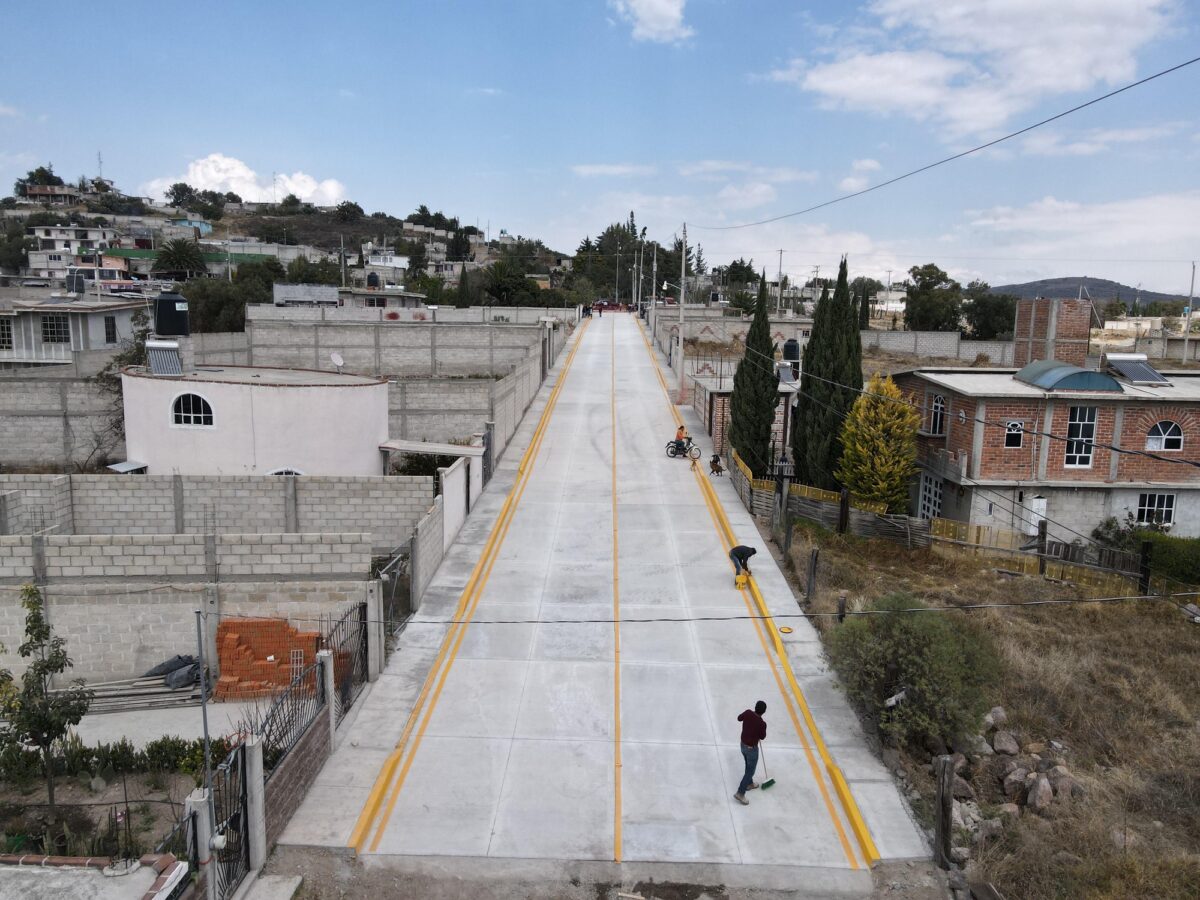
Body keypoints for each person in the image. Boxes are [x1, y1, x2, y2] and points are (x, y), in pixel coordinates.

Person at [734, 700, 768, 805]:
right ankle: (740, 792)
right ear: (764, 712)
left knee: (748, 765)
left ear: (755, 707)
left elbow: (739, 718)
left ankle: (750, 783)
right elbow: (762, 737)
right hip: (752, 749)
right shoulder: (762, 723)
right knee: (750, 771)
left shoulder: (748, 713)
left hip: (742, 745)